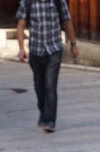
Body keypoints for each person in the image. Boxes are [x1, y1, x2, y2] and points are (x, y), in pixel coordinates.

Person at [16, 0, 78, 133]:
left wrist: (73, 44)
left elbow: (67, 22)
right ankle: (44, 111)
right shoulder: (27, 3)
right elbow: (21, 26)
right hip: (36, 50)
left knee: (50, 85)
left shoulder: (59, 2)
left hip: (54, 49)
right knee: (39, 86)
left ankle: (50, 119)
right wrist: (21, 48)